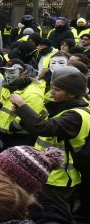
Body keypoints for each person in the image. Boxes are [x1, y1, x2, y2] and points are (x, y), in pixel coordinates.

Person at [11, 68, 88, 203]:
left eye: (57, 90)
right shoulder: (67, 109)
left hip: (59, 178)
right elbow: (44, 129)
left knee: (53, 216)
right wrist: (22, 114)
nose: (51, 93)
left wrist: (23, 106)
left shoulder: (75, 115)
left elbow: (44, 128)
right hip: (50, 173)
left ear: (71, 94)